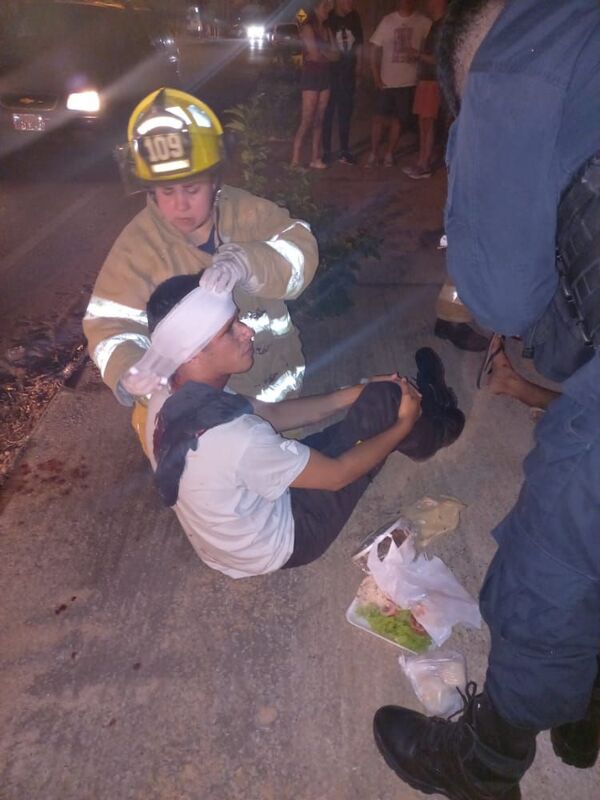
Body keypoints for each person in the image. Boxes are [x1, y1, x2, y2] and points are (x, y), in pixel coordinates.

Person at [373, 1, 600, 798]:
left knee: (553, 557)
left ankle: (488, 759)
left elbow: (498, 294)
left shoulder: (514, 55)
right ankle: (584, 697)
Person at [139, 274, 465, 579]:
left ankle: (418, 413)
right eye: (229, 330)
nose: (247, 331)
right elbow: (337, 475)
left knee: (375, 398)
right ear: (193, 353)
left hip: (236, 534)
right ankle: (436, 423)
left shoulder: (170, 392)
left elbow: (273, 414)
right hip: (290, 539)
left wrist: (357, 391)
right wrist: (404, 423)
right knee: (387, 404)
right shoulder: (237, 439)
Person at [83, 88, 319, 447]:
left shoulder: (249, 213)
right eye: (165, 192)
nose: (180, 206)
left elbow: (302, 253)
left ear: (215, 179)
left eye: (192, 189)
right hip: (203, 421)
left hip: (280, 398)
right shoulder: (138, 247)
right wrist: (127, 368)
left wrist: (250, 262)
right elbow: (108, 324)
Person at [365, 0, 431, 169]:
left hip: (408, 82)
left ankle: (389, 154)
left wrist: (421, 58)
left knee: (398, 120)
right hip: (386, 82)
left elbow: (433, 45)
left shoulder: (423, 22)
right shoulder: (387, 21)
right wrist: (376, 76)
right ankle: (374, 153)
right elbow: (374, 49)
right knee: (378, 118)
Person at [402, 0, 447, 179]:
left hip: (433, 81)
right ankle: (422, 162)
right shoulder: (436, 25)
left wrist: (417, 54)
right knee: (423, 122)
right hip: (427, 80)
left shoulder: (443, 27)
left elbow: (439, 59)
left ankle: (425, 165)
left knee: (427, 123)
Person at [291, 0, 336, 169]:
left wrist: (324, 53)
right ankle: (295, 157)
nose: (328, 10)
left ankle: (315, 157)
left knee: (319, 118)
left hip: (325, 76)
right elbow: (315, 55)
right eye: (325, 7)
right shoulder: (308, 28)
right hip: (311, 76)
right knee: (307, 118)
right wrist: (327, 53)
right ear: (316, 8)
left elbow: (337, 55)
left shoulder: (328, 30)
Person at [321, 0, 363, 166]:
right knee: (328, 113)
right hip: (331, 73)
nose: (352, 3)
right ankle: (326, 150)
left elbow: (359, 43)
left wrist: (359, 67)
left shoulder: (355, 17)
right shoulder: (329, 19)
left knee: (345, 112)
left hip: (348, 73)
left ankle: (344, 150)